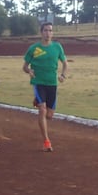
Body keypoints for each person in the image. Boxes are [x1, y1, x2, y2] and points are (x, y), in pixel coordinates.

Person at [22, 22, 68, 152]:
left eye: (50, 30)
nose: (48, 33)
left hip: (52, 83)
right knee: (42, 110)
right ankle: (46, 141)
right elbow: (25, 66)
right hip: (38, 82)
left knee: (49, 115)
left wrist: (63, 76)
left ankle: (38, 100)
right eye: (46, 30)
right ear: (41, 32)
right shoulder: (34, 48)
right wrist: (29, 71)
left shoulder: (57, 47)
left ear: (52, 33)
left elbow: (65, 63)